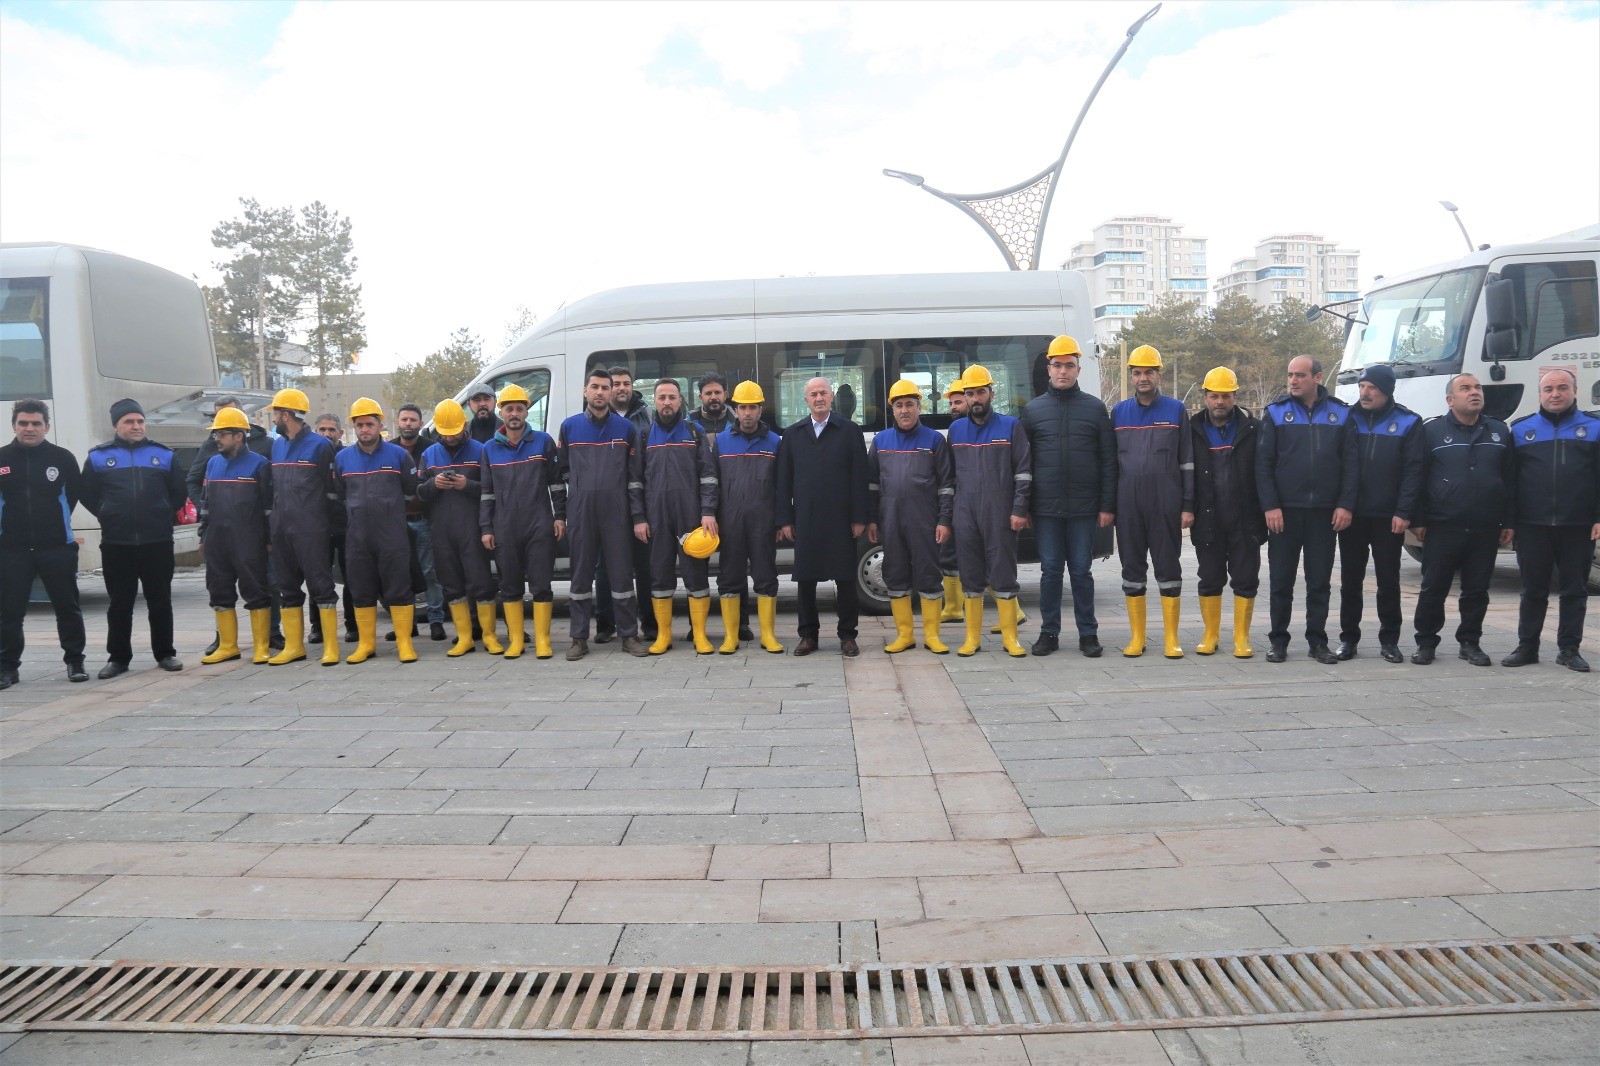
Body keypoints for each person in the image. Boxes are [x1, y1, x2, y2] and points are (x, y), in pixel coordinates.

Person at [1256, 355, 1358, 664]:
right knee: (1281, 581)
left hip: (1324, 514)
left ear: (1317, 377)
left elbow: (1352, 464)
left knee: (1319, 583)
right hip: (1284, 514)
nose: (1293, 381)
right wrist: (1271, 506)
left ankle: (1317, 642)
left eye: (1300, 375)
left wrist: (1345, 504)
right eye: (1290, 375)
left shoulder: (1341, 414)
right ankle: (1278, 641)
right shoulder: (1275, 413)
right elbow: (1263, 465)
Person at [1410, 374, 1514, 666]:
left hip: (1484, 526)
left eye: (1477, 387)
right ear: (1450, 399)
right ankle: (1426, 642)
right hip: (1443, 525)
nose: (1474, 392)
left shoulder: (1499, 431)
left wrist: (1508, 521)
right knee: (1434, 588)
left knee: (1477, 590)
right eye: (1465, 388)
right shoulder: (1431, 432)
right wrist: (1417, 518)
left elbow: (1510, 479)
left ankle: (1470, 642)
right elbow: (1416, 477)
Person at [80, 398, 189, 678]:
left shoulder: (163, 455)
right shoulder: (98, 457)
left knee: (160, 600)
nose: (136, 426)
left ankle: (165, 653)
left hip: (157, 541)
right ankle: (118, 658)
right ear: (116, 425)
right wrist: (107, 513)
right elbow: (87, 494)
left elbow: (177, 492)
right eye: (129, 421)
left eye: (140, 421)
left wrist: (162, 513)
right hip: (117, 543)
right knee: (119, 604)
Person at [1022, 336, 1115, 657]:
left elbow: (1107, 460)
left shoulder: (1094, 408)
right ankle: (1049, 633)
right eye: (1057, 365)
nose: (1063, 371)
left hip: (1084, 508)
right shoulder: (1033, 411)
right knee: (1050, 571)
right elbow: (1024, 464)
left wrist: (1106, 505)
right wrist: (1026, 506)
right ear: (1048, 369)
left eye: (1069, 366)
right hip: (1045, 509)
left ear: (1078, 368)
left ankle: (1088, 634)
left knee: (1080, 571)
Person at [1503, 368, 1599, 672]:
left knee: (1574, 590)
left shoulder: (1594, 428)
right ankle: (1527, 646)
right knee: (1533, 589)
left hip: (1578, 525)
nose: (1554, 394)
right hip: (1532, 526)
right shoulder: (1521, 430)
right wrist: (1510, 522)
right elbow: (1510, 482)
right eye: (1548, 389)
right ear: (1539, 393)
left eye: (1561, 388)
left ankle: (1569, 649)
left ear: (1574, 390)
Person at [558, 367, 650, 660]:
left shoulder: (626, 430)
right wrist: (561, 514)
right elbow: (560, 475)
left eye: (604, 388)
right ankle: (578, 638)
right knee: (580, 576)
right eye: (594, 387)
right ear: (585, 391)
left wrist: (637, 516)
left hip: (616, 512)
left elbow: (635, 478)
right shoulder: (569, 427)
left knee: (622, 575)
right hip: (581, 512)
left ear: (612, 393)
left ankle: (628, 635)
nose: (600, 392)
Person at [776, 376, 870, 657]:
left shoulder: (849, 431)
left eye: (823, 393)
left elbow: (859, 477)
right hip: (806, 517)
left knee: (845, 579)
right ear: (806, 400)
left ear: (832, 398)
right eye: (813, 394)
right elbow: (784, 481)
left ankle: (848, 636)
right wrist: (785, 519)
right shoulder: (792, 434)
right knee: (805, 579)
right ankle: (808, 635)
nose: (819, 398)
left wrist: (859, 517)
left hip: (842, 519)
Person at [1110, 345, 1193, 658]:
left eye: (1148, 372)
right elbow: (1110, 464)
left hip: (1166, 503)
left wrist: (1187, 505)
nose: (1142, 378)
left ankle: (1171, 638)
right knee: (1131, 568)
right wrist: (1110, 506)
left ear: (1159, 375)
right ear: (1131, 376)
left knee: (1168, 568)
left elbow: (1187, 462)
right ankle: (1137, 638)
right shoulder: (1118, 413)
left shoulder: (1175, 411)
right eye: (1137, 372)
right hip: (1128, 505)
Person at [1337, 364, 1424, 663]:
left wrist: (1404, 511)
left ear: (1387, 391)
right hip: (1353, 516)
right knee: (1351, 581)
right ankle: (1348, 639)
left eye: (1372, 387)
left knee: (1389, 581)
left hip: (1389, 518)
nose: (1365, 392)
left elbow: (1414, 471)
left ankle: (1390, 640)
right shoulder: (1347, 419)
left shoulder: (1408, 422)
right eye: (1362, 386)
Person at [0, 399, 88, 688]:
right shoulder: (2, 459)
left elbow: (72, 496)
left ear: (46, 427)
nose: (29, 428)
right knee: (9, 612)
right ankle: (7, 668)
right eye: (23, 423)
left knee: (67, 607)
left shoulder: (62, 458)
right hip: (12, 549)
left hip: (56, 548)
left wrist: (54, 526)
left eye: (36, 423)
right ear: (14, 426)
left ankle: (75, 662)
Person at [948, 364, 1032, 657]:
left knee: (1004, 574)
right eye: (969, 394)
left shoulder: (1010, 426)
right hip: (966, 513)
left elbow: (1023, 472)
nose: (975, 399)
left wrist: (1019, 509)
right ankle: (972, 638)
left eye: (980, 392)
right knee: (970, 576)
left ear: (991, 393)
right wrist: (950, 516)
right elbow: (949, 477)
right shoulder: (956, 430)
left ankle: (1011, 638)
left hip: (1001, 512)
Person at [867, 379, 955, 654]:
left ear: (919, 407)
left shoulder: (934, 440)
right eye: (899, 405)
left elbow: (946, 485)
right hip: (890, 520)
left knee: (929, 575)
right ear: (891, 410)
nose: (904, 410)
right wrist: (871, 519)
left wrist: (944, 520)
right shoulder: (880, 441)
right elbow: (871, 484)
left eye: (910, 405)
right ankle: (904, 635)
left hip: (925, 520)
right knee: (895, 574)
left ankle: (932, 635)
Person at [188, 396, 278, 655]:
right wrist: (204, 536)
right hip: (218, 542)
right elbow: (205, 503)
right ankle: (228, 646)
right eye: (216, 433)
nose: (217, 438)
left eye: (223, 434)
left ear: (239, 435)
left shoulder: (260, 465)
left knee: (256, 591)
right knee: (219, 592)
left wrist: (269, 540)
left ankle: (261, 647)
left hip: (249, 541)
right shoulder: (213, 463)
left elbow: (269, 507)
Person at [480, 384, 565, 659]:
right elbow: (486, 493)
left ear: (527, 411)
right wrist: (486, 528)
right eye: (509, 409)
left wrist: (560, 516)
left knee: (541, 584)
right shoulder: (490, 448)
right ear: (501, 412)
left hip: (539, 523)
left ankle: (542, 640)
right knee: (510, 586)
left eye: (519, 408)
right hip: (504, 527)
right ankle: (516, 640)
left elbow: (556, 484)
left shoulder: (543, 442)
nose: (514, 413)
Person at [333, 398, 420, 664]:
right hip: (357, 537)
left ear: (380, 425)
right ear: (354, 427)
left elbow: (410, 490)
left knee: (399, 587)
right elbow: (339, 494)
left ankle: (405, 643)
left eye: (369, 424)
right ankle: (366, 644)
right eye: (359, 425)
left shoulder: (398, 456)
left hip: (392, 534)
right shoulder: (343, 458)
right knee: (361, 588)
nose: (364, 429)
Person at [1188, 367, 1267, 658]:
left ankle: (1241, 636)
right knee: (1209, 577)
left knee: (1246, 577)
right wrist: (1186, 508)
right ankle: (1210, 634)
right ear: (1205, 397)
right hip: (1207, 517)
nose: (1219, 401)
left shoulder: (1254, 428)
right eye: (1214, 396)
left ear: (1235, 396)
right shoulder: (1193, 429)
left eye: (1225, 396)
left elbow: (1265, 471)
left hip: (1245, 518)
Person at [418, 399, 502, 657]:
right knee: (451, 584)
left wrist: (468, 485)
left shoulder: (481, 450)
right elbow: (419, 492)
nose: (450, 437)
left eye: (454, 431)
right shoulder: (429, 454)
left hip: (472, 527)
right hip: (442, 530)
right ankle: (464, 637)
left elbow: (495, 490)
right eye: (445, 433)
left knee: (481, 582)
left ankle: (489, 636)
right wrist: (434, 485)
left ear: (464, 425)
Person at [642, 379, 720, 655]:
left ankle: (699, 634)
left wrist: (708, 512)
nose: (666, 402)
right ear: (654, 401)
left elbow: (708, 476)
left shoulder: (694, 432)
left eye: (671, 397)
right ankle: (663, 636)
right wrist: (639, 517)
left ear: (680, 400)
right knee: (659, 575)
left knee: (696, 575)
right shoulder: (644, 435)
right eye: (661, 397)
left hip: (690, 517)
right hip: (656, 517)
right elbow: (634, 481)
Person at [265, 388, 340, 666]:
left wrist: (325, 524)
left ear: (285, 414)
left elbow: (332, 491)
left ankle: (331, 647)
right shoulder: (278, 445)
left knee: (321, 585)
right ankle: (294, 646)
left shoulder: (320, 446)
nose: (273, 420)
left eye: (275, 414)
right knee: (287, 586)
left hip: (312, 530)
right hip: (282, 529)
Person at [714, 381, 784, 654]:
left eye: (752, 407)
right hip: (730, 522)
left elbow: (782, 486)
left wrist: (780, 521)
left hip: (763, 522)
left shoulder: (775, 442)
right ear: (735, 409)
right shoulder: (721, 442)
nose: (747, 413)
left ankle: (768, 634)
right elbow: (712, 484)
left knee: (766, 575)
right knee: (729, 577)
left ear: (760, 409)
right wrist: (710, 516)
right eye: (742, 407)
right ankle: (731, 636)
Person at [595, 366, 655, 644]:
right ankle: (605, 623)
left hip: (642, 502)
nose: (621, 388)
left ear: (633, 386)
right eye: (615, 383)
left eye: (626, 383)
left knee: (644, 567)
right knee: (605, 568)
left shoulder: (647, 417)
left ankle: (649, 622)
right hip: (607, 505)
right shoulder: (596, 419)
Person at [393, 403, 447, 642]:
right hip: (395, 523)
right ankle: (407, 624)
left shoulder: (431, 449)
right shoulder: (388, 450)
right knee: (401, 573)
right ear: (397, 422)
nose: (408, 424)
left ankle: (436, 621)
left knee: (430, 572)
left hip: (425, 520)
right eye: (404, 419)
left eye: (413, 420)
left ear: (420, 423)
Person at [308, 413, 358, 646]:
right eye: (322, 430)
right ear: (315, 432)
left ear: (340, 433)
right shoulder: (309, 455)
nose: (327, 434)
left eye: (331, 430)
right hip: (317, 526)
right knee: (317, 578)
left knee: (352, 578)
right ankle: (317, 627)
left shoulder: (348, 456)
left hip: (346, 525)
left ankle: (352, 625)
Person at [938, 376, 969, 622]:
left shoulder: (968, 429)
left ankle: (1015, 613)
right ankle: (953, 607)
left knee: (975, 556)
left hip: (970, 503)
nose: (953, 407)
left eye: (958, 401)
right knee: (949, 553)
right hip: (958, 501)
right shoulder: (956, 430)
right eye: (951, 403)